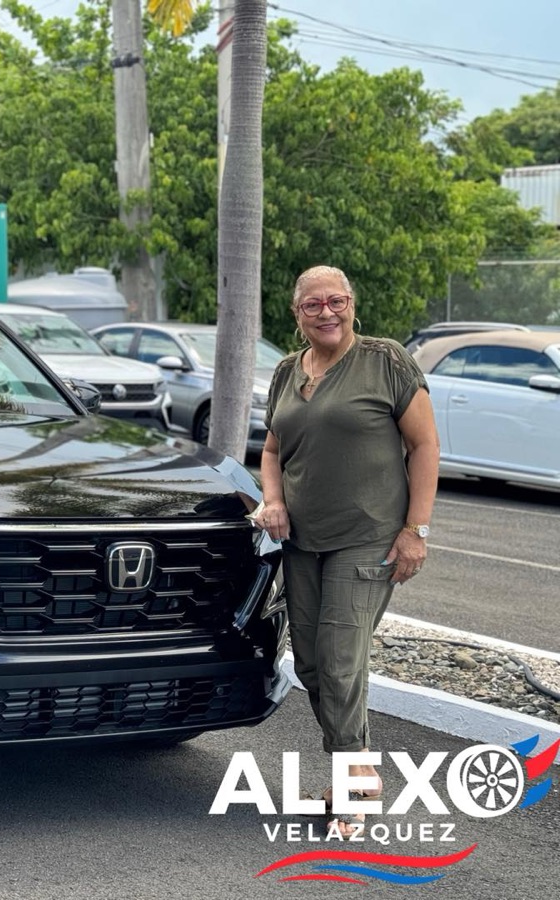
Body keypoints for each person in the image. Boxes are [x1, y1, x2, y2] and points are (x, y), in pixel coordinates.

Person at [255, 265, 440, 838]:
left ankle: (355, 784)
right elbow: (272, 447)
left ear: (352, 305)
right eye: (314, 305)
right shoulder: (288, 371)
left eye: (337, 301)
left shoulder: (385, 361)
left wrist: (417, 530)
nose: (327, 312)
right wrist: (273, 499)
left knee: (338, 661)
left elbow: (426, 444)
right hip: (302, 542)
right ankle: (353, 767)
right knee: (310, 662)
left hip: (368, 537)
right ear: (297, 314)